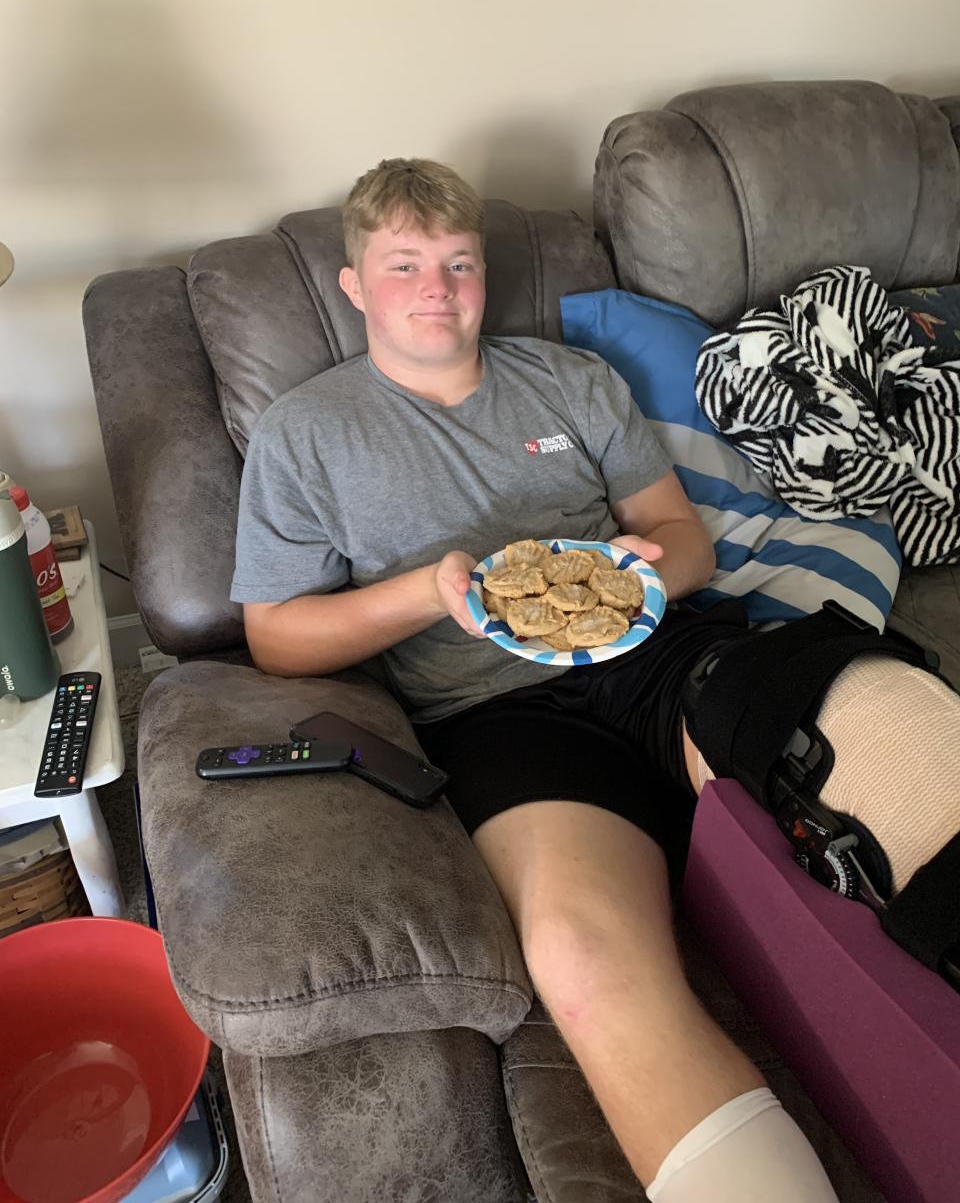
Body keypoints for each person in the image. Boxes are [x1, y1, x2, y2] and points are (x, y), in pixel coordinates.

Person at [230, 158, 952, 1202]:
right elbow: (275, 638)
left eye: (460, 262)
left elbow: (681, 538)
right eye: (405, 264)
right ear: (355, 284)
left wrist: (644, 568)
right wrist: (428, 593)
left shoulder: (568, 380)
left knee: (894, 727)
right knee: (581, 956)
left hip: (658, 654)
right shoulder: (305, 433)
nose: (438, 287)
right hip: (498, 715)